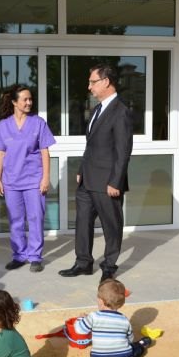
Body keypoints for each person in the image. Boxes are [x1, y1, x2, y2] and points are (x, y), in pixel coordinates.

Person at [59, 63, 133, 282]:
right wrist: (82, 170)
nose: (89, 86)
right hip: (87, 180)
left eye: (93, 82)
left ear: (106, 82)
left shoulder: (121, 112)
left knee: (112, 225)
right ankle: (83, 263)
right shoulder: (96, 109)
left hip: (107, 182)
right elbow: (91, 145)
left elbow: (123, 151)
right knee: (82, 222)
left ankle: (109, 266)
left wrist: (115, 182)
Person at [0, 85, 56, 272]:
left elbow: (45, 152)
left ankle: (35, 256)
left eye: (30, 99)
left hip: (33, 180)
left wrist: (45, 178)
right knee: (15, 220)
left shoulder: (38, 123)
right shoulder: (2, 126)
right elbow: (0, 154)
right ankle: (19, 255)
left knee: (36, 217)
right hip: (11, 181)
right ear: (14, 102)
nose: (29, 102)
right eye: (25, 99)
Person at [74, 278, 152, 357]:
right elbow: (130, 340)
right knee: (136, 348)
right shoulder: (124, 320)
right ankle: (141, 344)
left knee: (94, 352)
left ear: (101, 302)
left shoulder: (93, 317)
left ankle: (138, 346)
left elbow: (79, 329)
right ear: (121, 304)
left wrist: (81, 318)